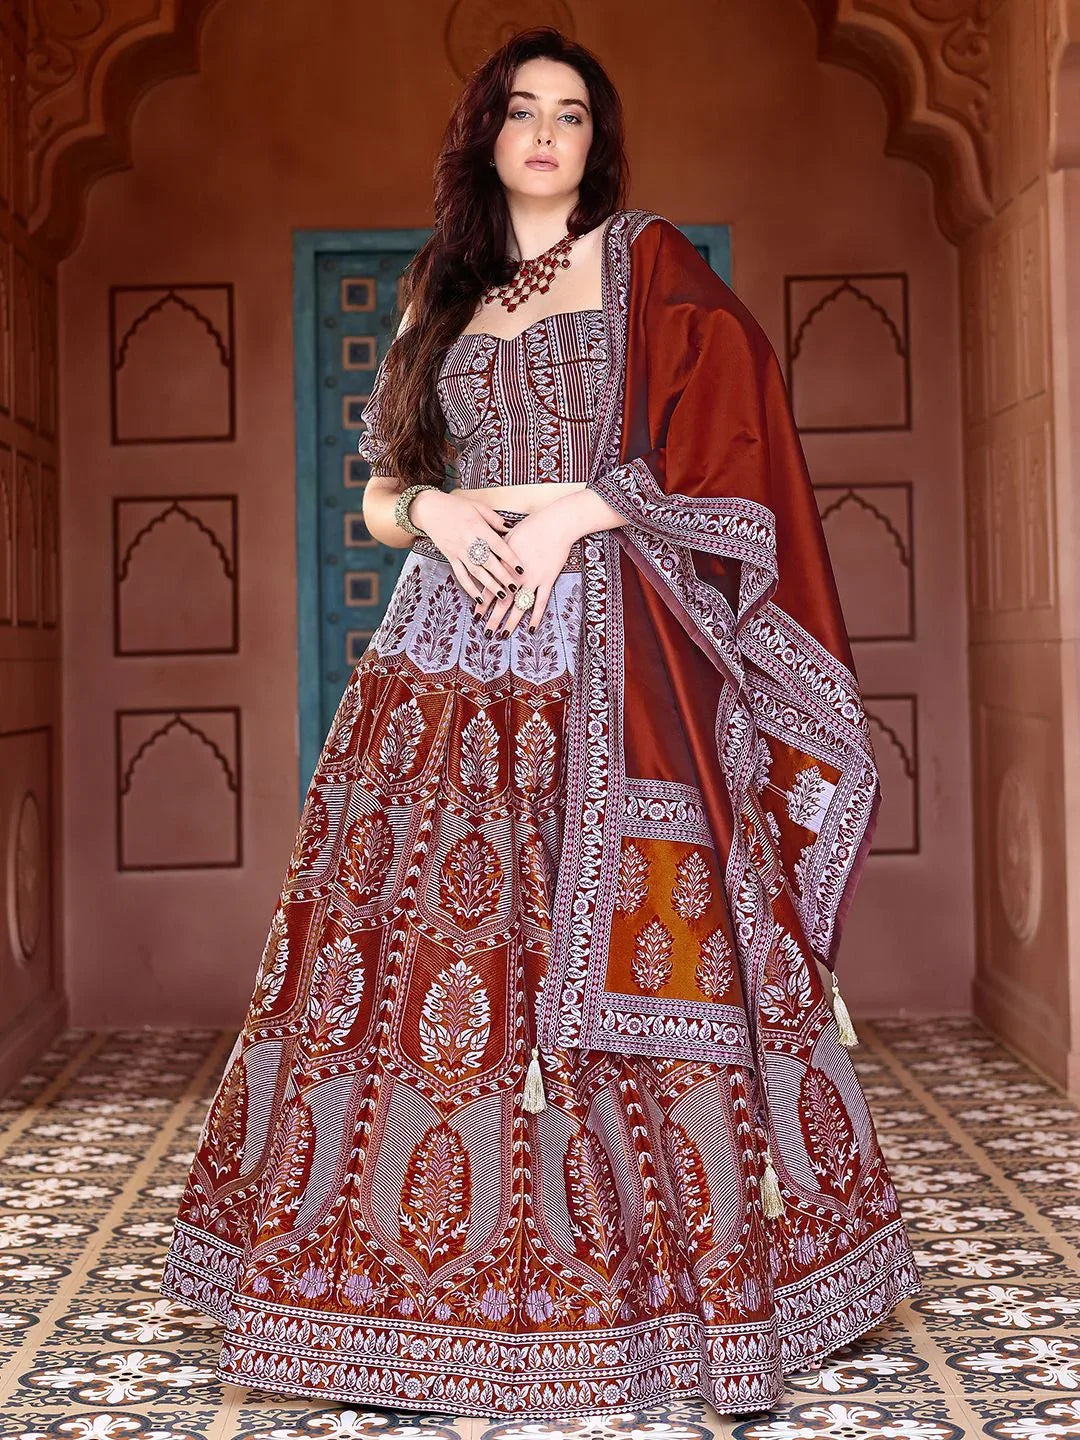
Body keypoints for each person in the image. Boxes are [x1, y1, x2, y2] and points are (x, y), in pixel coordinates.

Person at [160, 24, 920, 1420]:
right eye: (524, 111)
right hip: (441, 666)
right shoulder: (438, 294)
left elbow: (740, 421)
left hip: (607, 661)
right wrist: (438, 511)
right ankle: (395, 1295)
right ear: (487, 135)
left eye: (573, 113)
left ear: (596, 139)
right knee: (422, 961)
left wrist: (592, 501)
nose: (549, 133)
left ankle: (674, 1304)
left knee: (646, 952)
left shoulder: (647, 263)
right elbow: (386, 490)